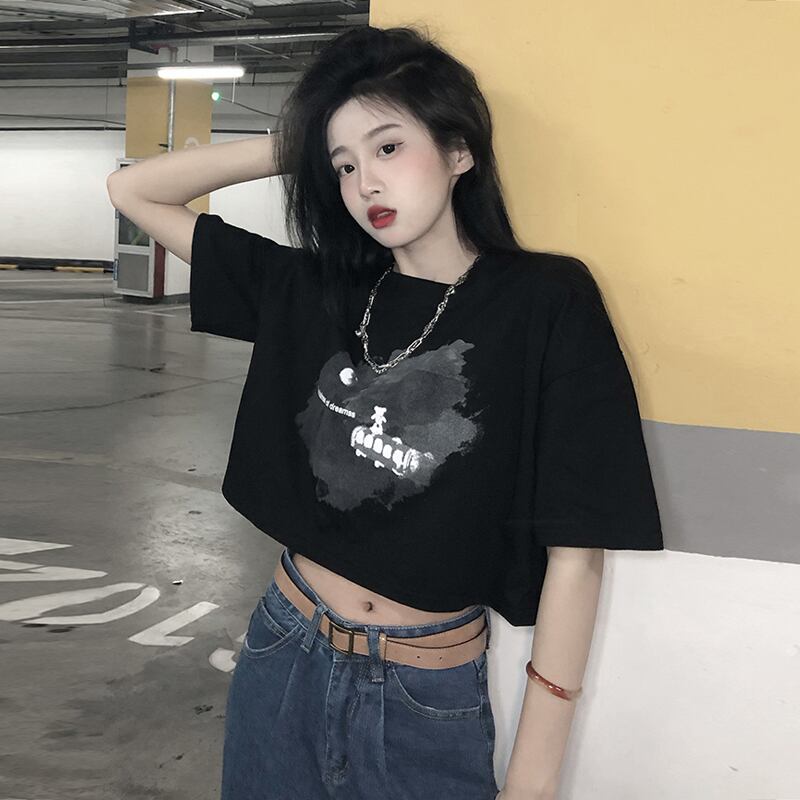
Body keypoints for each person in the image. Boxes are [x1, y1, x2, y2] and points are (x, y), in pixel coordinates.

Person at [107, 24, 664, 800]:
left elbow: (577, 550)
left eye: (389, 148)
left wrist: (534, 777)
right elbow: (133, 191)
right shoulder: (320, 289)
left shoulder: (545, 303)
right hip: (284, 652)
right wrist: (303, 143)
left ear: (459, 150)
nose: (366, 182)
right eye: (344, 165)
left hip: (420, 694)